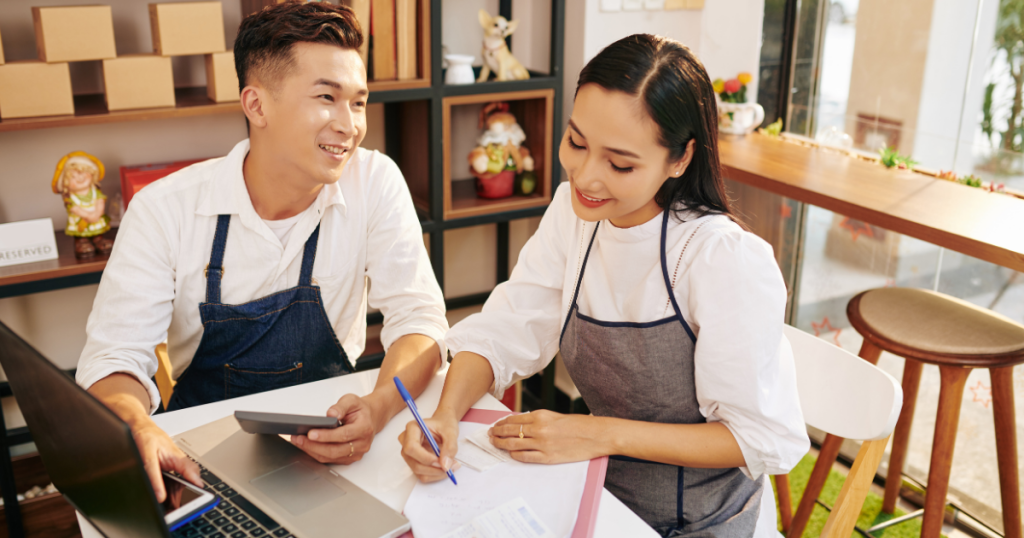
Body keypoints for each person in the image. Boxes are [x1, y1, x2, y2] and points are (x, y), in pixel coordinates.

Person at [400, 34, 809, 537]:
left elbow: (760, 437)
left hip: (701, 522)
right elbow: (506, 330)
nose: (586, 177)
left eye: (620, 164)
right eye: (576, 142)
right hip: (600, 494)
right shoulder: (574, 219)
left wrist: (596, 433)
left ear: (680, 159)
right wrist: (445, 415)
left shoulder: (721, 259)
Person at [76, 2, 447, 502]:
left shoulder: (374, 181)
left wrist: (379, 406)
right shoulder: (164, 210)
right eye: (326, 97)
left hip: (332, 439)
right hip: (203, 453)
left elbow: (420, 320)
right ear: (256, 106)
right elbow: (114, 357)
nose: (350, 125)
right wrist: (135, 424)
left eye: (358, 102)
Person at [51, 151, 114, 258]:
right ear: (65, 182)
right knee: (81, 237)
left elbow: (100, 202)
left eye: (83, 173)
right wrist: (89, 216)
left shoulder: (95, 192)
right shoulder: (71, 198)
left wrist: (97, 214)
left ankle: (98, 240)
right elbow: (75, 209)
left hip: (95, 220)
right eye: (73, 177)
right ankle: (82, 242)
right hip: (81, 225)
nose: (80, 178)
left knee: (98, 233)